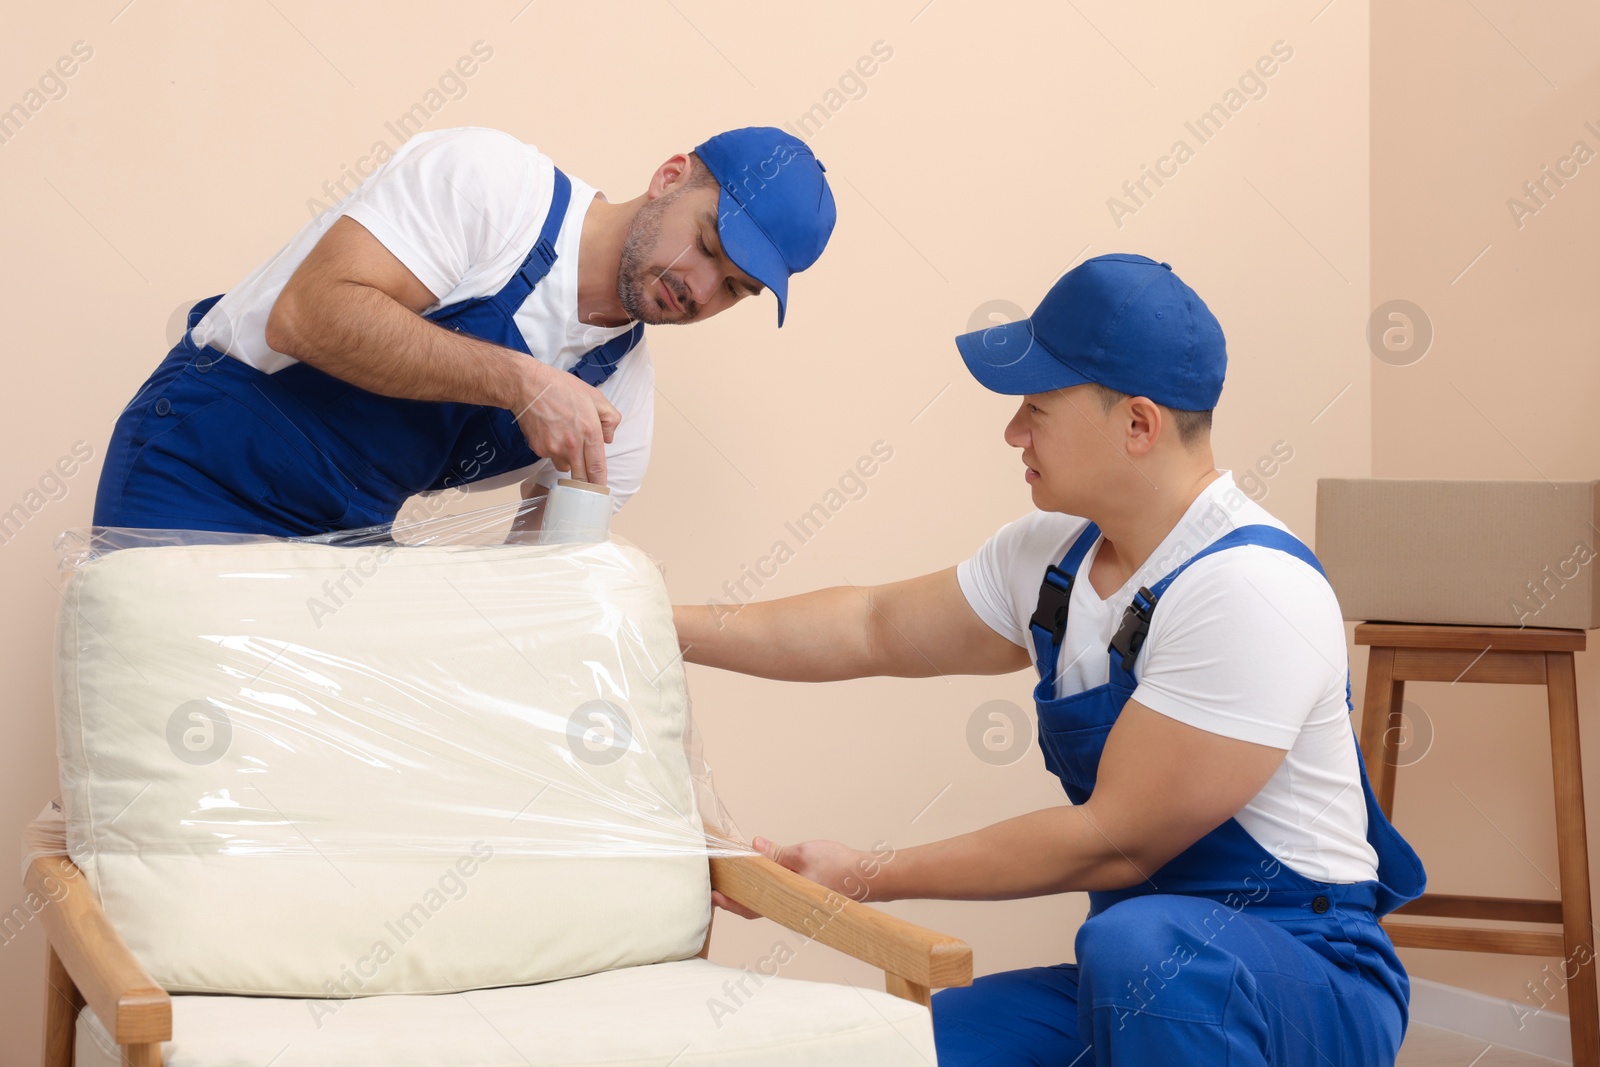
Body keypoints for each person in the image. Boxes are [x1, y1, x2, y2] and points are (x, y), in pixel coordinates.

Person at [673, 253, 1426, 1065]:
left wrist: (864, 872)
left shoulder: (1248, 588)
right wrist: (646, 618)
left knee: (1145, 946)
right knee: (888, 1048)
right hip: (1135, 972)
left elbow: (1115, 841)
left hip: (1304, 977)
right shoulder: (1051, 563)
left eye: (1035, 408)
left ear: (1138, 424)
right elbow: (869, 624)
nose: (1012, 433)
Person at [92, 125, 835, 535]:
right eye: (707, 245)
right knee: (151, 781)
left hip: (342, 553)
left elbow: (540, 586)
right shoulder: (495, 187)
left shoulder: (622, 403)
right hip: (205, 470)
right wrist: (520, 381)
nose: (701, 289)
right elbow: (308, 315)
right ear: (671, 175)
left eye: (733, 289)